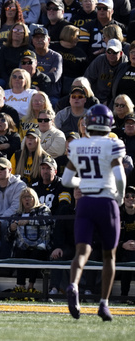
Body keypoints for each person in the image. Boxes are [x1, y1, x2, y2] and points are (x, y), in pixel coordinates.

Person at [62, 104, 126, 321]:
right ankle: (104, 304)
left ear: (89, 122)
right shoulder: (112, 144)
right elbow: (119, 176)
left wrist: (86, 182)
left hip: (86, 202)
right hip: (106, 201)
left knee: (81, 252)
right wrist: (119, 197)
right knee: (109, 255)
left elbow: (66, 180)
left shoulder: (78, 145)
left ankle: (73, 285)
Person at [8, 187, 53, 290]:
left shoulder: (43, 209)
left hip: (41, 245)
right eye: (24, 197)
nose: (27, 199)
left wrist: (29, 221)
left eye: (29, 197)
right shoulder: (17, 214)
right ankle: (20, 286)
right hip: (23, 246)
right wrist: (11, 229)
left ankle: (31, 285)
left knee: (35, 254)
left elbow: (48, 221)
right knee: (20, 253)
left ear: (35, 198)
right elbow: (8, 237)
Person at [0, 157, 27, 259]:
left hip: (13, 220)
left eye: (2, 168)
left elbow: (16, 208)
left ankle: (5, 262)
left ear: (10, 170)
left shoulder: (20, 186)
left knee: (5, 226)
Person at [83, 38, 126, 104]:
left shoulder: (125, 65)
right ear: (106, 52)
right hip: (97, 99)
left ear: (120, 53)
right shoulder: (99, 61)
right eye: (109, 51)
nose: (111, 54)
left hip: (117, 101)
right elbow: (87, 79)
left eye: (115, 52)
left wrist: (110, 102)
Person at [119, 186, 135, 298]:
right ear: (123, 199)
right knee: (127, 259)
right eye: (127, 196)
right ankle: (123, 296)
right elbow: (110, 236)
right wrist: (122, 244)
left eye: (133, 196)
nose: (130, 198)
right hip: (120, 249)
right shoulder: (117, 214)